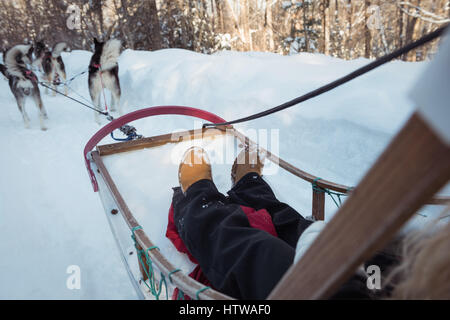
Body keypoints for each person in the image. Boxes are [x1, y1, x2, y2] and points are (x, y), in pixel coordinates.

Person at [171, 146, 370, 299]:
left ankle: (199, 198)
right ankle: (248, 185)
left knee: (251, 250)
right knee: (293, 225)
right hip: (380, 280)